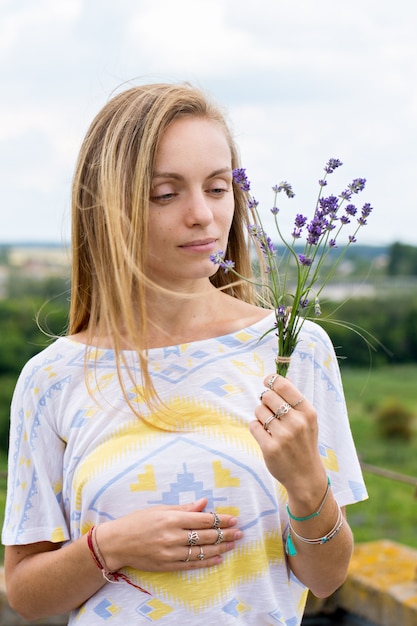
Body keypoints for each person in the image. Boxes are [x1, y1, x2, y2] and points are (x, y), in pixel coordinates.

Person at [2, 82, 367, 625]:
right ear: (109, 208)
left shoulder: (292, 349)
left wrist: (307, 483)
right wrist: (109, 549)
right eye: (165, 194)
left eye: (218, 188)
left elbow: (324, 576)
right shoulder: (51, 378)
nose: (202, 215)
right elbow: (27, 596)